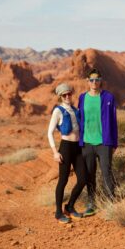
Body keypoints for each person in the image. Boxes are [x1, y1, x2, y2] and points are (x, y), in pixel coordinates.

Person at [78, 68, 118, 217]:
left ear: (101, 81)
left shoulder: (108, 97)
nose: (94, 82)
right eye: (92, 80)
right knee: (90, 174)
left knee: (106, 172)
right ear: (87, 82)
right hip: (87, 142)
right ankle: (91, 203)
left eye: (97, 80)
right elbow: (79, 118)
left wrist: (114, 143)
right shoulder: (82, 98)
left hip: (104, 142)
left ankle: (110, 202)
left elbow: (113, 121)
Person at [48, 83, 86, 224]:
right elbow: (50, 132)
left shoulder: (75, 110)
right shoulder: (58, 111)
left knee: (82, 179)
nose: (67, 96)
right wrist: (55, 152)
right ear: (60, 97)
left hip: (77, 148)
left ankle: (69, 206)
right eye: (64, 95)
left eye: (69, 93)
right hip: (65, 148)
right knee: (63, 181)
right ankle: (58, 212)